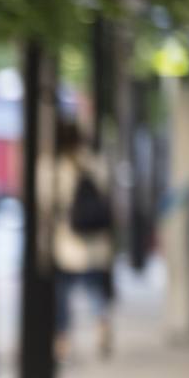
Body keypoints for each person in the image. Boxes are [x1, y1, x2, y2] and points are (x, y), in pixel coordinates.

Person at [52, 117, 116, 361]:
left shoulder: (58, 167)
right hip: (96, 238)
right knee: (94, 288)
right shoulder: (94, 162)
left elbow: (48, 200)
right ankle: (101, 325)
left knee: (63, 291)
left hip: (69, 239)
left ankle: (63, 339)